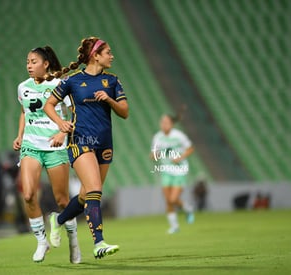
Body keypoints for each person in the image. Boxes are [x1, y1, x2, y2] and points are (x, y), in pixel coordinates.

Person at [43, 37, 129, 259]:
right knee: (95, 190)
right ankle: (99, 242)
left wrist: (109, 100)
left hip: (104, 144)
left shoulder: (112, 81)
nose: (112, 56)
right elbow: (48, 105)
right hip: (80, 141)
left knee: (85, 195)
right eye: (108, 52)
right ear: (96, 55)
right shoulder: (73, 81)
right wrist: (61, 124)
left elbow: (125, 112)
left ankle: (58, 220)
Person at [13, 46, 81, 263]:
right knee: (28, 195)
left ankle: (73, 240)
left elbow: (75, 113)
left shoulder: (60, 85)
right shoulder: (23, 87)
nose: (29, 66)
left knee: (62, 201)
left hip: (55, 147)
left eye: (33, 61)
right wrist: (19, 135)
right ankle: (42, 241)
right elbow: (24, 112)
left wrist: (63, 131)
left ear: (46, 64)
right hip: (31, 146)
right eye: (27, 62)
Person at [150, 113, 195, 234]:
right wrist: (156, 155)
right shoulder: (157, 137)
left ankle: (187, 208)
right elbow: (152, 155)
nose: (164, 124)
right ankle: (174, 226)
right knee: (168, 200)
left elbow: (190, 148)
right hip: (165, 171)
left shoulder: (179, 136)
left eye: (166, 122)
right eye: (162, 122)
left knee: (173, 198)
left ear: (172, 124)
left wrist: (180, 157)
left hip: (179, 170)